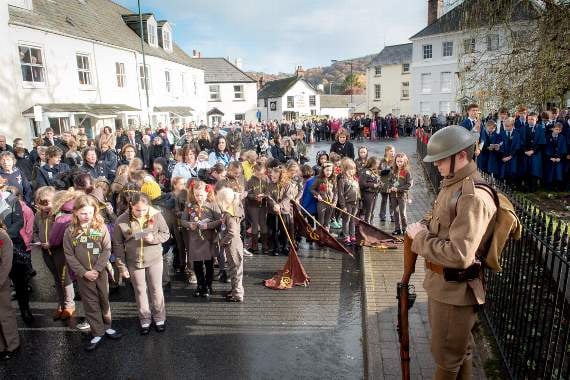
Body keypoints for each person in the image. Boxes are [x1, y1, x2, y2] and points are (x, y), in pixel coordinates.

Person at [407, 125, 497, 379]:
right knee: (459, 353)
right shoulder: (454, 184)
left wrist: (420, 239)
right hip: (443, 287)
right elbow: (442, 223)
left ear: (461, 156)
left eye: (440, 159)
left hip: (454, 291)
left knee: (447, 358)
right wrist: (425, 226)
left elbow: (459, 254)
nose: (435, 164)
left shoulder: (472, 196)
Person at [63, 195, 122, 351]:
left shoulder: (100, 227)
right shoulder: (70, 231)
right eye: (82, 213)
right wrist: (83, 272)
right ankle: (97, 331)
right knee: (90, 303)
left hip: (100, 272)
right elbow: (69, 255)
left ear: (95, 211)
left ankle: (107, 325)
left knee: (104, 299)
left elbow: (106, 249)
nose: (86, 216)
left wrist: (97, 269)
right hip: (84, 276)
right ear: (75, 212)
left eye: (89, 212)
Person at [113, 192, 170, 335]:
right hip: (134, 260)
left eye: (144, 210)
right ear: (131, 206)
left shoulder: (156, 215)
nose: (141, 213)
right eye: (137, 210)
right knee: (140, 290)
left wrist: (154, 238)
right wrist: (121, 266)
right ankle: (145, 318)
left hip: (154, 258)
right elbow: (118, 245)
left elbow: (166, 233)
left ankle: (159, 317)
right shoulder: (121, 220)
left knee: (156, 289)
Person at [33, 187, 76, 321]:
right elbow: (34, 231)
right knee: (56, 278)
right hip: (46, 251)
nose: (45, 207)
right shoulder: (38, 215)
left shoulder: (59, 215)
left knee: (65, 278)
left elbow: (64, 234)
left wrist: (51, 244)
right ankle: (61, 303)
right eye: (42, 203)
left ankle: (69, 304)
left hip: (59, 251)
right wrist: (38, 241)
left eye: (48, 203)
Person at [180, 181, 220, 298]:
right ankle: (200, 285)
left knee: (208, 263)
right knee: (197, 264)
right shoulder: (189, 205)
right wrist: (189, 224)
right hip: (195, 239)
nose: (199, 198)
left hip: (208, 239)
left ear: (207, 193)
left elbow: (220, 221)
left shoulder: (212, 205)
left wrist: (209, 225)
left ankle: (208, 285)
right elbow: (182, 221)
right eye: (197, 195)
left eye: (201, 195)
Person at [216, 187, 245, 302]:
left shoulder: (229, 214)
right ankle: (236, 289)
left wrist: (222, 242)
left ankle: (237, 294)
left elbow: (232, 232)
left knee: (235, 269)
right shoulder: (236, 208)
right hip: (236, 243)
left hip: (232, 244)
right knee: (236, 268)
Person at [0, 224, 19, 361]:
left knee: (4, 314)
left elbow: (6, 263)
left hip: (0, 281)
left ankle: (12, 345)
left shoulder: (2, 236)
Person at [245, 162, 268, 254]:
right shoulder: (250, 181)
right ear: (254, 171)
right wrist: (255, 197)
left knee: (263, 224)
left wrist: (264, 195)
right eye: (258, 173)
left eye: (262, 173)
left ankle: (265, 246)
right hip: (253, 205)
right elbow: (248, 194)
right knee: (254, 224)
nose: (260, 175)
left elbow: (268, 190)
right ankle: (255, 247)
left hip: (263, 205)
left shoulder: (266, 179)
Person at [337, 158, 360, 245]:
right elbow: (341, 194)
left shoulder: (354, 179)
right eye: (350, 169)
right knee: (346, 220)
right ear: (345, 169)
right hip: (347, 203)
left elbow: (358, 191)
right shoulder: (342, 180)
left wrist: (359, 202)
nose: (352, 171)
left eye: (353, 169)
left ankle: (352, 235)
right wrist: (343, 206)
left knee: (352, 220)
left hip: (355, 203)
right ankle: (346, 236)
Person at [389, 153, 412, 235]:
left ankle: (405, 228)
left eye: (401, 161)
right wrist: (390, 187)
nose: (399, 163)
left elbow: (408, 185)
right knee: (395, 212)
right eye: (398, 161)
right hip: (393, 196)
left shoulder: (407, 172)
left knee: (402, 213)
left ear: (405, 161)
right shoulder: (393, 171)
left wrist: (398, 189)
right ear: (395, 161)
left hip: (402, 196)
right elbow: (390, 182)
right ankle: (397, 229)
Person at [311, 162, 337, 231]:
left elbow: (335, 192)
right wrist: (318, 195)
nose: (329, 172)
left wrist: (334, 202)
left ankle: (326, 234)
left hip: (330, 204)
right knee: (321, 221)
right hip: (321, 204)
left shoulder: (333, 180)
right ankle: (319, 233)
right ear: (323, 170)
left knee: (327, 221)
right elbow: (311, 189)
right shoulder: (319, 179)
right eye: (327, 170)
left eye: (330, 170)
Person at [359, 157, 381, 223]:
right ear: (372, 163)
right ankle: (366, 223)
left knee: (371, 210)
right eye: (377, 164)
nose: (378, 165)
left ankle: (370, 222)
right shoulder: (365, 171)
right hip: (367, 193)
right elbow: (362, 183)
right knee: (368, 210)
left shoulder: (373, 171)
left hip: (374, 193)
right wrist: (373, 185)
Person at [378, 146, 395, 223]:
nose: (392, 153)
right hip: (384, 184)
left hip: (392, 185)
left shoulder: (395, 161)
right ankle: (382, 215)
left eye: (393, 151)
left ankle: (393, 216)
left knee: (392, 201)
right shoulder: (382, 160)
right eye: (391, 151)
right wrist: (382, 171)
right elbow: (378, 170)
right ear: (386, 152)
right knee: (384, 200)